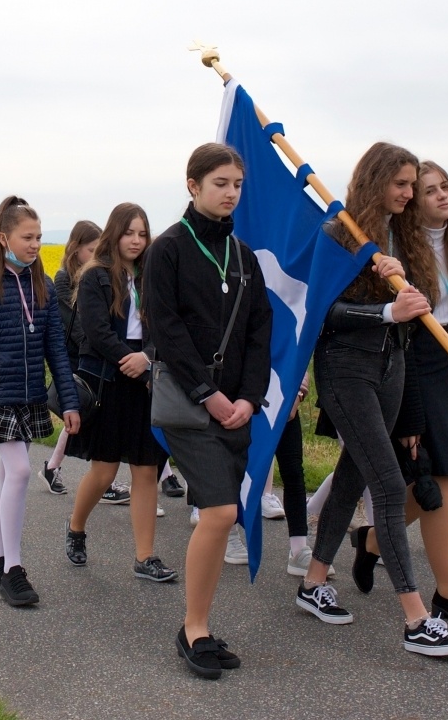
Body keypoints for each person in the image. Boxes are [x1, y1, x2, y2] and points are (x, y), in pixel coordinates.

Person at [294, 142, 448, 658]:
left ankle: (313, 582)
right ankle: (417, 619)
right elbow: (321, 312)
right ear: (376, 181)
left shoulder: (406, 236)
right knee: (390, 486)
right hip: (346, 370)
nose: (410, 193)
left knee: (353, 474)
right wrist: (385, 312)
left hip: (392, 368)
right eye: (401, 183)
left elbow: (425, 312)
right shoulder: (340, 232)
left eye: (413, 184)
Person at [352, 160, 448, 628]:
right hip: (411, 363)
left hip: (446, 364)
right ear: (413, 204)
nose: (441, 195)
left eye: (445, 187)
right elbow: (409, 323)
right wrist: (411, 414)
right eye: (429, 190)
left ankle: (372, 541)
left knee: (438, 479)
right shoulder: (399, 250)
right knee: (440, 477)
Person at [143, 143, 274, 678]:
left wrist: (248, 397)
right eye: (220, 183)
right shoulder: (168, 249)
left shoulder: (243, 256)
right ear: (193, 185)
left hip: (235, 407)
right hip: (191, 407)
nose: (231, 193)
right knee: (219, 512)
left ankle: (200, 622)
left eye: (237, 184)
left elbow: (260, 330)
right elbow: (166, 329)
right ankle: (193, 627)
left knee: (222, 520)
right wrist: (209, 393)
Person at [0, 196, 81, 608]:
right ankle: (13, 568)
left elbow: (56, 350)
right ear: (3, 238)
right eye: (27, 237)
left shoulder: (41, 284)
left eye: (39, 237)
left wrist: (69, 402)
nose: (35, 245)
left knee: (8, 477)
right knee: (21, 472)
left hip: (29, 397)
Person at [64, 203, 178, 583]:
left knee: (146, 469)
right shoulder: (95, 276)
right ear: (114, 233)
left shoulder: (153, 276)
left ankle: (145, 557)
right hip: (109, 380)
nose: (136, 240)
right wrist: (131, 361)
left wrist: (147, 358)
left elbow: (167, 326)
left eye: (142, 234)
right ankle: (76, 527)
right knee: (104, 470)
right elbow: (96, 332)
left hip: (145, 381)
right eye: (129, 232)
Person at [40, 220, 100, 496]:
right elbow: (71, 322)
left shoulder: (96, 273)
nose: (95, 256)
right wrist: (96, 346)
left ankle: (53, 467)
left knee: (87, 413)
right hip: (77, 356)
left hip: (91, 351)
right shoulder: (63, 277)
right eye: (91, 250)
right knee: (82, 411)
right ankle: (101, 480)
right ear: (76, 249)